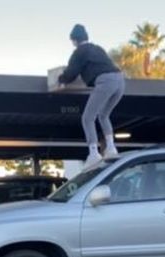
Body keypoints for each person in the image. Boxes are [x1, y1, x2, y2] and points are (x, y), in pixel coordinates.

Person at [59, 24, 125, 167]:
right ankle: (111, 148)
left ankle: (94, 153)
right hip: (120, 80)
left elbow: (71, 72)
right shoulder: (98, 48)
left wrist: (61, 80)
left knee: (87, 117)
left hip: (105, 81)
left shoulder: (79, 52)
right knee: (104, 115)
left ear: (74, 40)